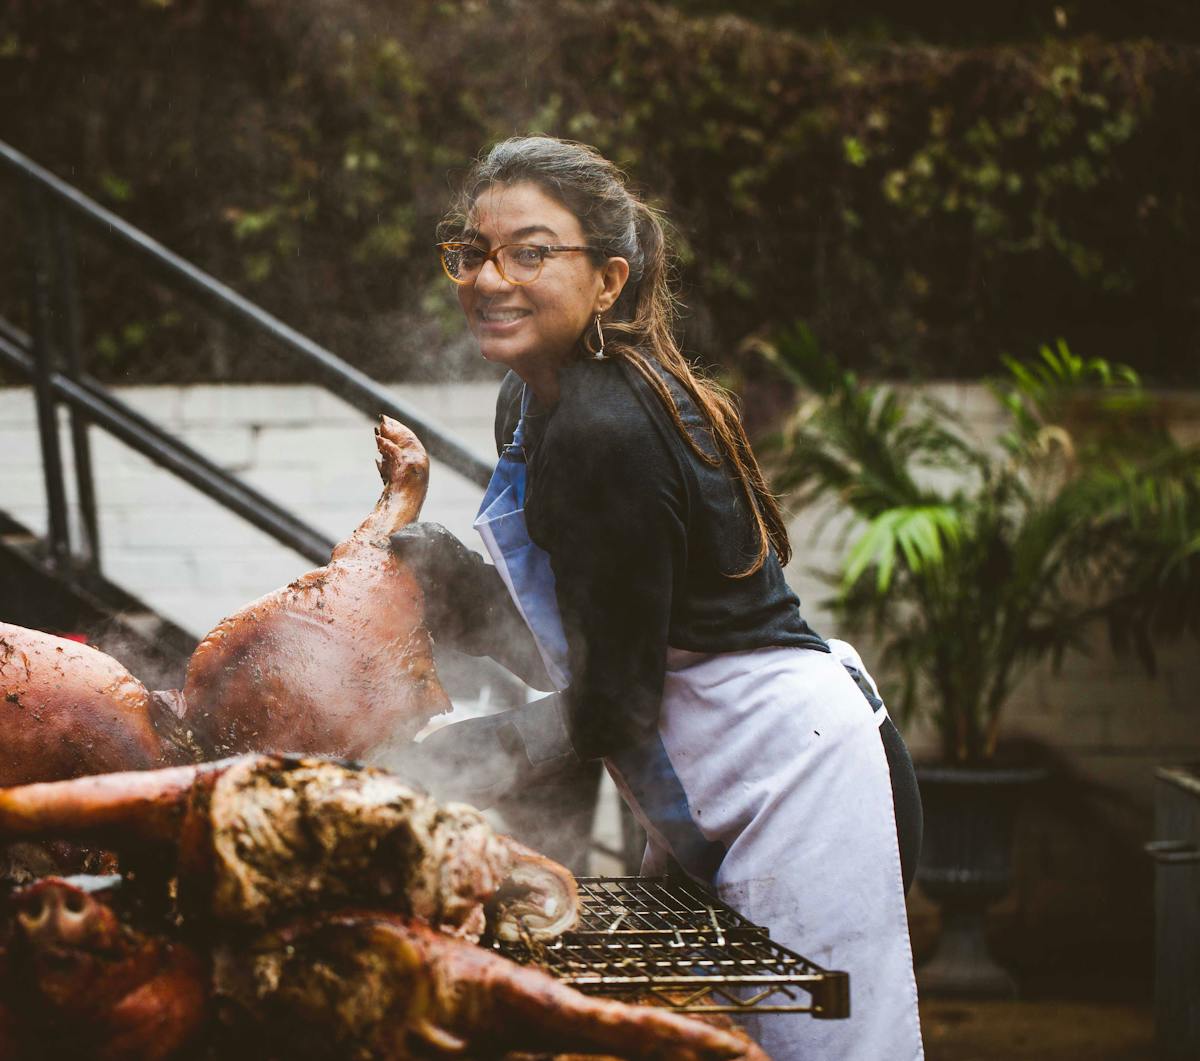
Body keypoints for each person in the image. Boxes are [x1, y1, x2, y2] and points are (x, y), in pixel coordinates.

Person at [391, 136, 924, 1060]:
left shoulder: (605, 425)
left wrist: (418, 773)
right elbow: (593, 640)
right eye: (472, 251)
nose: (489, 278)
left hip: (797, 784)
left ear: (608, 279)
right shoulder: (534, 404)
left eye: (530, 251)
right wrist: (451, 585)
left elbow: (615, 701)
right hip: (700, 786)